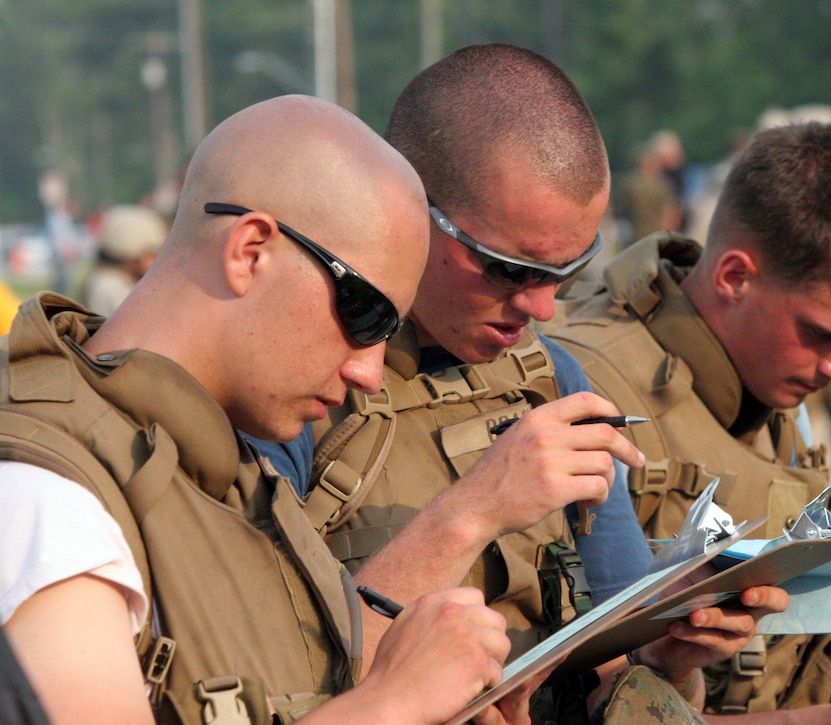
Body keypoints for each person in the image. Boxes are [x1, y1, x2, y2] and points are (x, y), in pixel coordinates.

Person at [257, 44, 788, 723]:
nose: (542, 308)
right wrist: (476, 507)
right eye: (511, 268)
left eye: (569, 271)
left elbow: (616, 669)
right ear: (409, 205)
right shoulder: (294, 389)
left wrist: (669, 656)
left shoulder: (553, 379)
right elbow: (268, 671)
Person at [0, 95, 535, 725]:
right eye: (366, 315)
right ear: (250, 249)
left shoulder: (225, 465)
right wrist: (392, 704)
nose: (369, 372)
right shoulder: (44, 495)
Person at [547, 122, 831, 722]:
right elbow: (582, 709)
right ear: (734, 278)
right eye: (822, 335)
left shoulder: (763, 381)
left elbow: (800, 624)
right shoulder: (582, 392)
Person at [79, 203, 168, 315]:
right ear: (132, 259)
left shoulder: (122, 283)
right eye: (152, 255)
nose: (158, 262)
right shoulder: (110, 287)